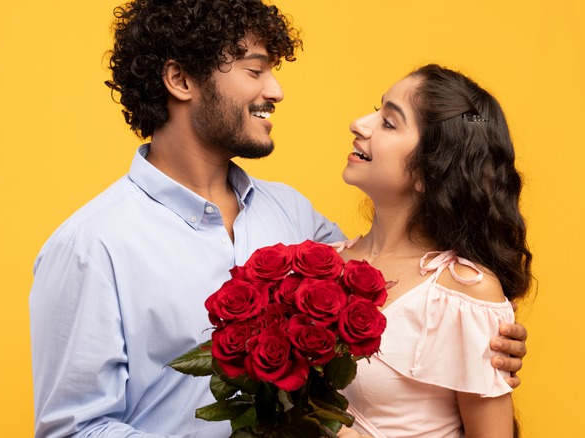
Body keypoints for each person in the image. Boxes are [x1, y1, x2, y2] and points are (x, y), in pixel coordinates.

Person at [28, 1, 528, 436]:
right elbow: (76, 429)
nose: (277, 89)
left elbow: (397, 293)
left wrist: (487, 340)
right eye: (254, 69)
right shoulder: (91, 245)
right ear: (181, 80)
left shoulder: (296, 218)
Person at [336, 65, 533, 437]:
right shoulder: (320, 264)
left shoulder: (463, 292)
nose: (359, 123)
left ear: (429, 172)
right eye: (376, 111)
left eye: (389, 122)